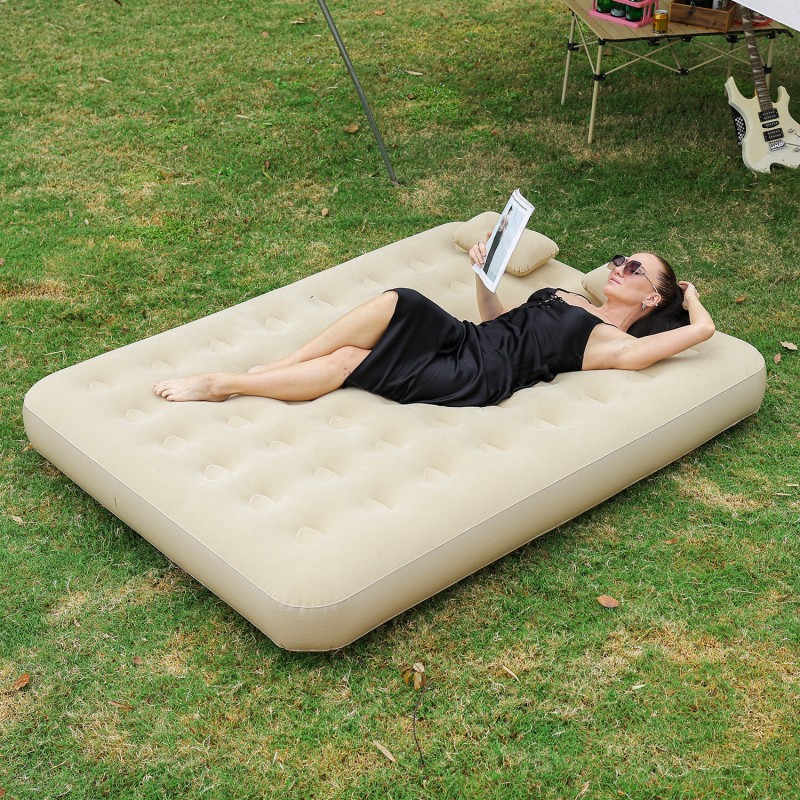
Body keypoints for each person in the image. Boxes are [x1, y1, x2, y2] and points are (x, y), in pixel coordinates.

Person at [153, 244, 714, 407]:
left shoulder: (614, 343)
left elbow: (700, 334)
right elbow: (500, 321)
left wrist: (691, 301)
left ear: (653, 296)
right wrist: (484, 277)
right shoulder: (570, 295)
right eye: (620, 259)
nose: (619, 267)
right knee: (403, 300)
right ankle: (273, 369)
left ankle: (225, 383)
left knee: (351, 359)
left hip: (482, 376)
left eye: (634, 269)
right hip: (473, 339)